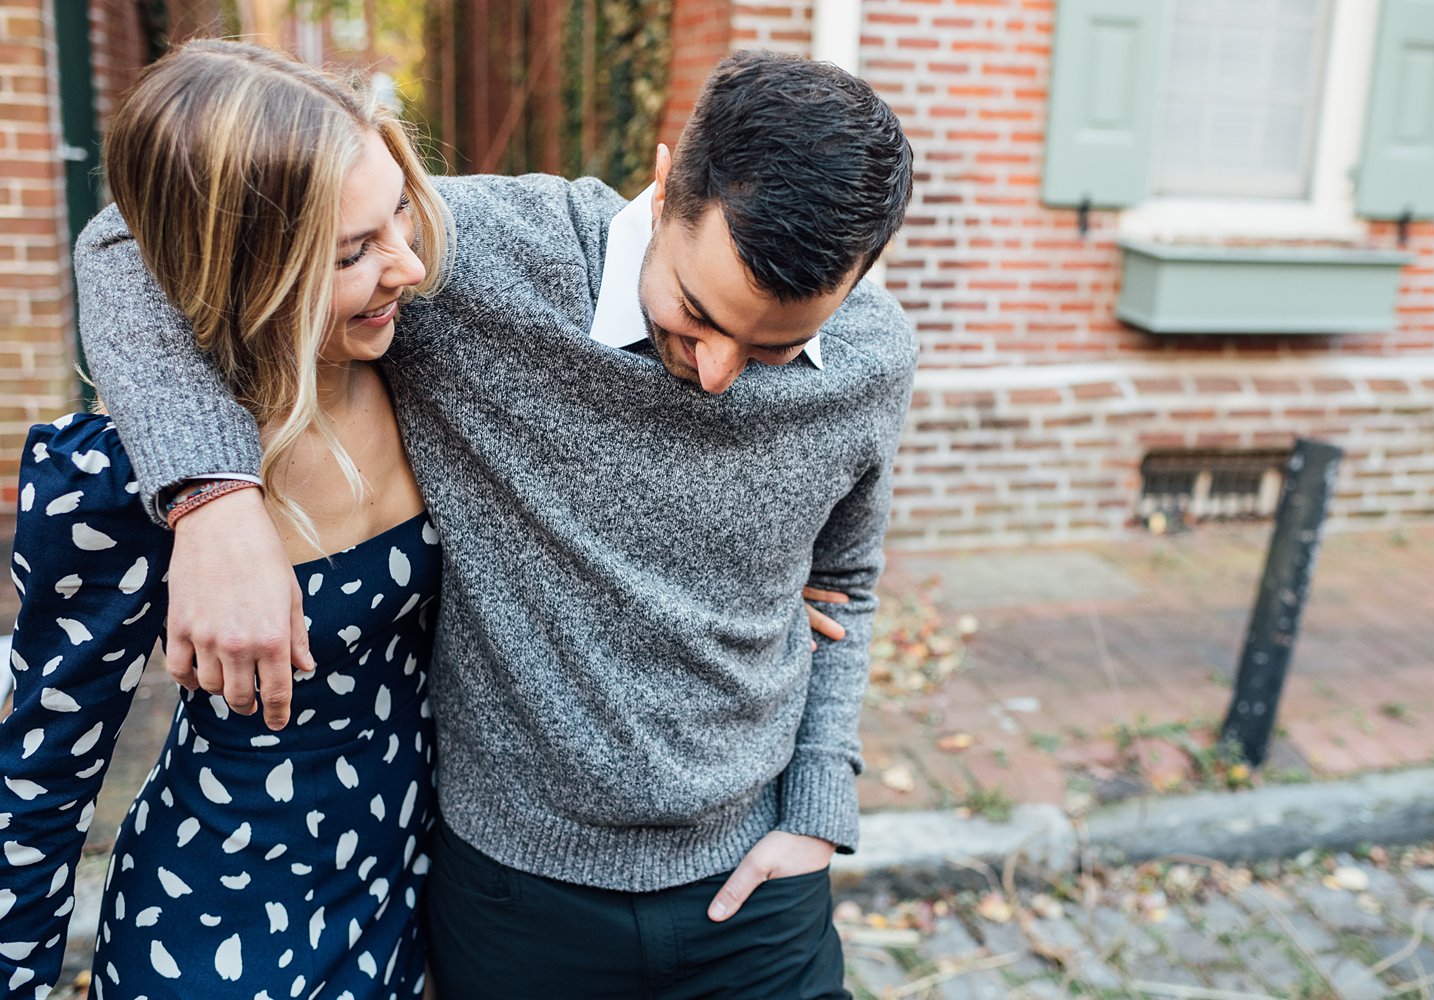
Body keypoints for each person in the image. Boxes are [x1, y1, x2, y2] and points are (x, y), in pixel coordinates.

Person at [73, 48, 917, 998]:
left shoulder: (874, 357)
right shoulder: (462, 255)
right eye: (696, 313)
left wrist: (817, 807)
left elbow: (846, 587)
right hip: (510, 895)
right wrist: (211, 500)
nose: (720, 373)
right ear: (669, 176)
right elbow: (126, 243)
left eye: (776, 346)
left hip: (758, 887)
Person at [0, 40, 451, 997]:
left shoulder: (421, 367)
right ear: (245, 266)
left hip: (413, 901)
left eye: (400, 213)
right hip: (221, 933)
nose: (407, 265)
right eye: (352, 252)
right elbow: (40, 780)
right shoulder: (122, 477)